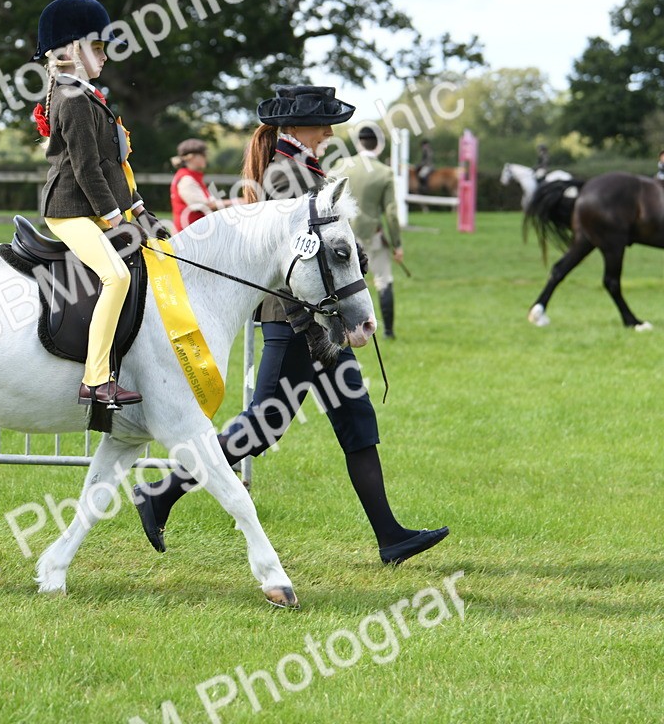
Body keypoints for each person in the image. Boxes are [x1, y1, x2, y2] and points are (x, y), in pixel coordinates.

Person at [132, 86, 449, 566]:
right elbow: (290, 257)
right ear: (296, 128)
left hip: (317, 316)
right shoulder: (285, 174)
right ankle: (163, 492)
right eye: (322, 124)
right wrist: (317, 328)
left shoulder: (302, 166)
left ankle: (390, 536)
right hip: (297, 319)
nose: (328, 132)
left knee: (354, 417)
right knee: (265, 422)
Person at [32, 0, 168, 409]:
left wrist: (140, 210)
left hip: (90, 205)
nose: (105, 56)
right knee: (117, 277)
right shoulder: (72, 99)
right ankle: (95, 379)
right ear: (72, 49)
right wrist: (114, 220)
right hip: (70, 210)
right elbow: (88, 169)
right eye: (96, 46)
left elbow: (112, 165)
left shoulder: (86, 94)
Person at [341, 125, 403, 339]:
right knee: (383, 280)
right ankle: (388, 331)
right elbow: (392, 213)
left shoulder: (340, 166)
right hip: (372, 236)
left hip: (343, 236)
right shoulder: (384, 173)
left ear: (359, 143)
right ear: (379, 145)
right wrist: (397, 245)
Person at [169, 138, 228, 231]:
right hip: (189, 236)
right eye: (203, 154)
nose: (206, 157)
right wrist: (239, 202)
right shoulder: (186, 179)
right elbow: (205, 205)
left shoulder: (192, 176)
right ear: (191, 157)